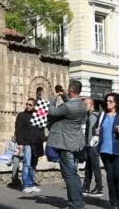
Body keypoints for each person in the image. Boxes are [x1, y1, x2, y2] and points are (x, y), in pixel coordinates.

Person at [47, 80, 87, 209]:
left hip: (66, 144)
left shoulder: (68, 107)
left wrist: (53, 98)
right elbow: (69, 103)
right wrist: (64, 96)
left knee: (70, 175)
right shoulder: (82, 105)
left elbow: (52, 111)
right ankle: (77, 202)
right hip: (75, 143)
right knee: (73, 174)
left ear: (70, 89)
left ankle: (76, 204)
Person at [96, 93, 119, 209]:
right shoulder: (102, 116)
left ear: (116, 103)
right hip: (105, 150)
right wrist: (97, 131)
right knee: (110, 177)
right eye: (107, 101)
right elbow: (96, 129)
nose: (108, 103)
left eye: (110, 101)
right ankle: (114, 202)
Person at [15, 97, 45, 194]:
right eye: (27, 104)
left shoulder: (38, 116)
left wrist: (44, 138)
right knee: (27, 163)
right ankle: (26, 185)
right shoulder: (21, 116)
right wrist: (20, 143)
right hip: (27, 143)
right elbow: (18, 130)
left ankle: (31, 184)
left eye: (30, 105)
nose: (28, 106)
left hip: (36, 144)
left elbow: (41, 130)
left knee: (33, 164)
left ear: (34, 106)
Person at [82, 98, 103, 197]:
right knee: (89, 167)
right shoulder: (91, 115)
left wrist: (88, 144)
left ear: (91, 105)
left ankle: (99, 187)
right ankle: (86, 187)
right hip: (92, 145)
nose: (84, 106)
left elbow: (91, 132)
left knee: (94, 166)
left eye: (85, 104)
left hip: (92, 145)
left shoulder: (93, 116)